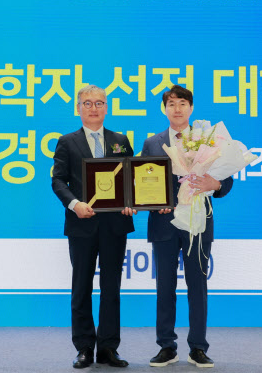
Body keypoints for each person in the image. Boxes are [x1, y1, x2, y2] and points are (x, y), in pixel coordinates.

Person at [141, 85, 233, 368]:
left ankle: (198, 347)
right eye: (171, 104)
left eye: (182, 103)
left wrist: (215, 184)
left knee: (197, 285)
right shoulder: (152, 143)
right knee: (164, 286)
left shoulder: (208, 140)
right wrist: (153, 204)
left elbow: (227, 176)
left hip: (197, 222)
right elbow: (143, 181)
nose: (177, 108)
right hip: (164, 223)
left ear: (191, 108)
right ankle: (166, 346)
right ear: (164, 109)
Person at [52, 85, 136, 369]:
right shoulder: (67, 141)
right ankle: (84, 347)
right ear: (78, 108)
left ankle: (109, 348)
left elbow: (130, 178)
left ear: (106, 107)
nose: (93, 108)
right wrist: (74, 204)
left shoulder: (120, 140)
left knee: (111, 288)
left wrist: (130, 201)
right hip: (81, 223)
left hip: (115, 224)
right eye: (87, 103)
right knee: (81, 287)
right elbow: (58, 180)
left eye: (99, 103)